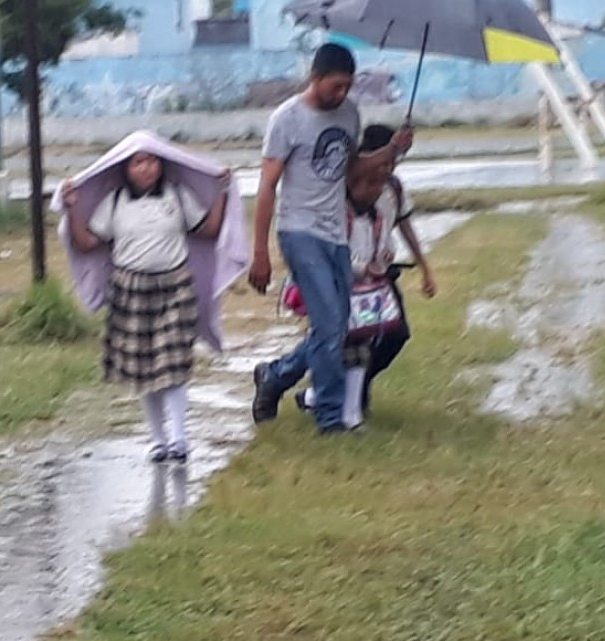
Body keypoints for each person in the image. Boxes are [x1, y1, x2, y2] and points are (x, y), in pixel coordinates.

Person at [248, 43, 413, 433]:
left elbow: (352, 166)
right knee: (329, 325)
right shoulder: (286, 119)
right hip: (299, 232)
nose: (342, 94)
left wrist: (391, 149)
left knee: (341, 326)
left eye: (347, 87)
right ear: (315, 78)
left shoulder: (349, 114)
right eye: (335, 86)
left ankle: (275, 375)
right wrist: (260, 252)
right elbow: (267, 187)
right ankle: (331, 418)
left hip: (335, 233)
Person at [63, 152, 232, 462]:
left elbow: (208, 229)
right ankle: (159, 440)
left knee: (174, 362)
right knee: (146, 368)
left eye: (152, 161)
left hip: (175, 286)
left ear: (162, 165)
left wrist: (221, 192)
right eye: (138, 162)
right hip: (130, 289)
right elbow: (87, 242)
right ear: (126, 169)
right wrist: (72, 209)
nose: (146, 168)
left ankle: (180, 440)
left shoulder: (177, 196)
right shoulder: (115, 203)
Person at [295, 162, 398, 429]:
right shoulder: (338, 216)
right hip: (333, 291)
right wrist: (364, 267)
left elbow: (387, 245)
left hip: (363, 294)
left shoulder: (378, 218)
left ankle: (349, 413)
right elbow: (332, 253)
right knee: (332, 348)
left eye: (379, 185)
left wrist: (385, 257)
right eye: (370, 184)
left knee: (360, 349)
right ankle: (323, 400)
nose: (376, 191)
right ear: (351, 185)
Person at [355, 124, 438, 412]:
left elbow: (404, 223)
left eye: (394, 161)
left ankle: (357, 385)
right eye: (388, 158)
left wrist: (425, 266)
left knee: (395, 333)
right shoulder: (350, 183)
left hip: (382, 275)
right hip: (352, 274)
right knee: (352, 337)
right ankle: (329, 393)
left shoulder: (394, 187)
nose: (390, 167)